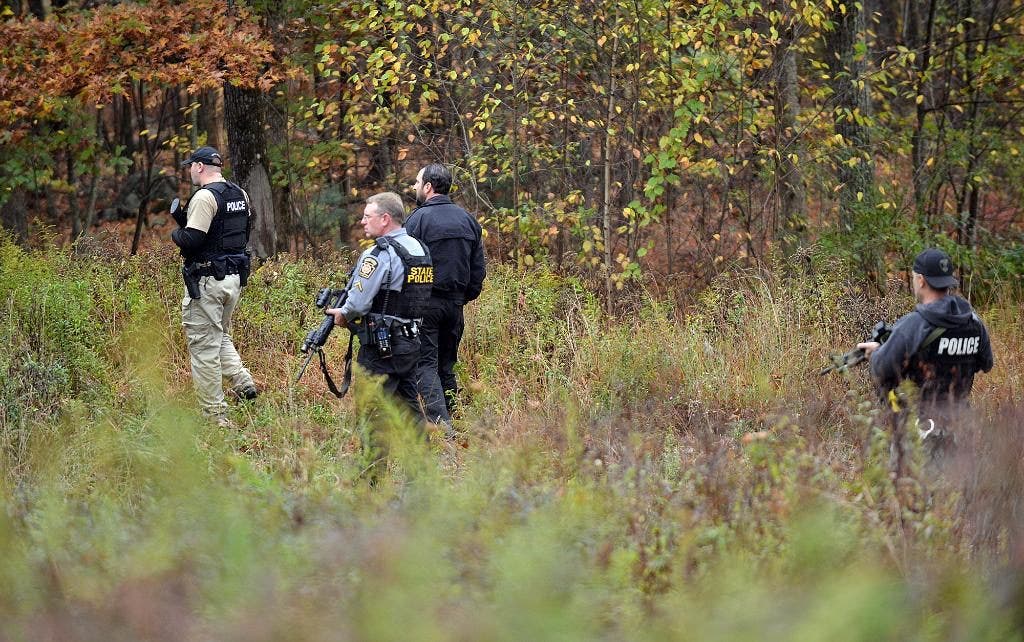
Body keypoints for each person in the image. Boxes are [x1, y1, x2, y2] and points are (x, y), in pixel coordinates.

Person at [325, 192, 449, 427]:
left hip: (381, 348)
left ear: (384, 219)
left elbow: (358, 304)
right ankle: (422, 463)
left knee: (371, 413)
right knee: (410, 411)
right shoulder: (419, 248)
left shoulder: (379, 254)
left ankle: (373, 463)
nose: (362, 222)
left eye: (366, 216)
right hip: (411, 342)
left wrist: (343, 314)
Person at [858, 248, 994, 452]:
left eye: (914, 277)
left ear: (921, 280)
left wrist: (875, 352)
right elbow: (986, 363)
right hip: (962, 428)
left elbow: (881, 370)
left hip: (921, 432)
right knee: (960, 483)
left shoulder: (914, 325)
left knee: (915, 483)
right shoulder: (974, 322)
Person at [172, 146, 257, 425]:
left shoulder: (205, 197)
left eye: (190, 166)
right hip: (233, 279)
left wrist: (176, 231)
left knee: (203, 347)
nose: (189, 171)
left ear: (199, 166)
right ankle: (243, 382)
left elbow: (192, 240)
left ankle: (215, 417)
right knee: (219, 334)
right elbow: (240, 232)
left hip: (208, 280)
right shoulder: (240, 194)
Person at [405, 163, 486, 417]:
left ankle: (442, 428)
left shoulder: (416, 220)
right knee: (446, 365)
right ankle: (454, 420)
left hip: (425, 305)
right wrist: (462, 298)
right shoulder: (468, 220)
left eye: (418, 182)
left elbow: (404, 265)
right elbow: (478, 270)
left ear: (428, 187)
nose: (415, 187)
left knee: (425, 364)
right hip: (455, 306)